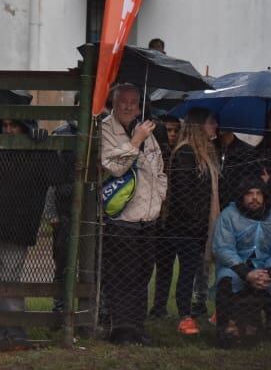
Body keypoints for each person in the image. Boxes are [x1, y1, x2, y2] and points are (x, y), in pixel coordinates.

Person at [0, 118, 61, 342]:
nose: (8, 130)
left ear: (24, 127)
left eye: (14, 126)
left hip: (15, 231)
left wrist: (44, 145)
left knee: (11, 287)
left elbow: (57, 175)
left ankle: (15, 333)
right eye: (5, 125)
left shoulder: (35, 152)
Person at [100, 83, 166, 345]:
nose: (128, 106)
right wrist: (135, 140)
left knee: (142, 274)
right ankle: (122, 331)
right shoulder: (105, 129)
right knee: (122, 276)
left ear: (139, 105)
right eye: (122, 101)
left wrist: (159, 198)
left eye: (133, 101)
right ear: (113, 103)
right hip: (122, 219)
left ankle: (138, 328)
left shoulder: (147, 129)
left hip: (148, 218)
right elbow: (112, 167)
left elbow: (159, 169)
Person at [212, 175, 271, 347]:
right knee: (225, 280)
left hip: (269, 270)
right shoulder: (229, 215)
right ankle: (225, 331)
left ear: (265, 196)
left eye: (259, 193)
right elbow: (223, 248)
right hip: (236, 268)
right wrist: (246, 273)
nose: (255, 198)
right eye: (249, 193)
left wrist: (268, 273)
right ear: (242, 196)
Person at [161, 109, 221, 335]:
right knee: (187, 271)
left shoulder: (205, 152)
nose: (215, 124)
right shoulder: (185, 153)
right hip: (184, 227)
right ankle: (185, 316)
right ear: (199, 125)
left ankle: (191, 313)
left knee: (194, 270)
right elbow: (183, 195)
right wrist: (198, 224)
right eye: (211, 120)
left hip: (197, 226)